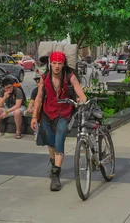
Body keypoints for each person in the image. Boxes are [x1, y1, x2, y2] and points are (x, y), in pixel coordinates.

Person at [31, 51, 87, 191]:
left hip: (64, 113)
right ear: (50, 64)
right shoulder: (44, 77)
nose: (56, 66)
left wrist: (81, 100)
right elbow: (39, 97)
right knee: (50, 143)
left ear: (63, 64)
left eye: (59, 63)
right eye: (54, 63)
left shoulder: (70, 77)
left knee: (59, 138)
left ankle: (56, 174)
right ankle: (53, 163)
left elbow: (81, 93)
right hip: (47, 113)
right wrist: (34, 116)